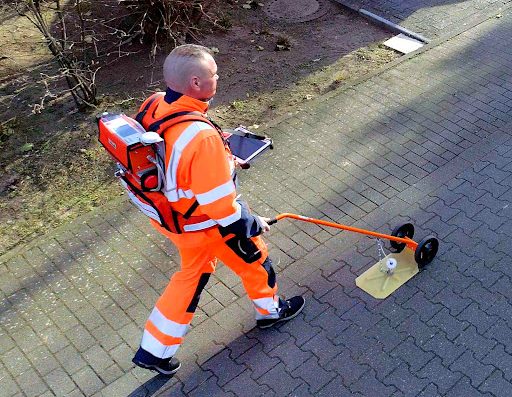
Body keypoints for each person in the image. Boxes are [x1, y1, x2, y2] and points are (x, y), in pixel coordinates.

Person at [131, 44, 305, 376]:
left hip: (171, 219)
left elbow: (176, 153)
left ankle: (153, 351)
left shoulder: (156, 102)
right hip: (204, 222)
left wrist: (222, 155)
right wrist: (250, 223)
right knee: (255, 259)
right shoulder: (202, 138)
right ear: (196, 83)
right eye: (214, 74)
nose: (218, 77)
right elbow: (221, 206)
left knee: (191, 276)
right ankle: (270, 312)